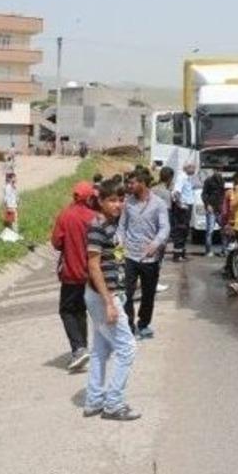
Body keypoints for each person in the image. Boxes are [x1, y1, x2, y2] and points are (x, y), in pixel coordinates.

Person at [82, 179, 140, 420]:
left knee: (100, 350)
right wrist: (109, 302)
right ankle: (113, 403)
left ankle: (94, 400)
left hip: (107, 294)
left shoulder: (111, 224)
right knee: (127, 349)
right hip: (103, 296)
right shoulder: (97, 225)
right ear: (101, 201)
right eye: (112, 200)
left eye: (120, 199)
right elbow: (93, 266)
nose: (118, 204)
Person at [50, 181, 98, 371]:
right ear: (89, 197)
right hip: (90, 273)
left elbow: (56, 242)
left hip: (71, 272)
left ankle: (79, 348)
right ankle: (82, 347)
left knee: (67, 310)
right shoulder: (94, 217)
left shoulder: (65, 215)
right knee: (80, 311)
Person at [119, 167, 169, 338]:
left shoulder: (159, 204)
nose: (129, 185)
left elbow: (164, 228)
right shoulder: (128, 203)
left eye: (132, 182)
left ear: (142, 183)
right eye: (128, 182)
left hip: (150, 258)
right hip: (129, 256)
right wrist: (119, 246)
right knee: (126, 293)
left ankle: (144, 323)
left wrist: (154, 245)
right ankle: (129, 325)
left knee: (148, 294)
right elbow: (122, 227)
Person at [170, 163, 197, 261]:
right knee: (180, 230)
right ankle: (177, 255)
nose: (194, 169)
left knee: (185, 230)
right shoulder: (182, 177)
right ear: (187, 168)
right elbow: (177, 192)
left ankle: (182, 252)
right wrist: (180, 204)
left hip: (187, 206)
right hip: (183, 207)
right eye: (193, 167)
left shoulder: (188, 178)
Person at [201, 169, 225, 257]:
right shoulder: (208, 181)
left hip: (220, 208)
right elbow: (204, 194)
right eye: (217, 170)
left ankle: (224, 250)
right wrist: (207, 205)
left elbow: (222, 194)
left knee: (224, 230)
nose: (219, 172)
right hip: (211, 208)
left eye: (220, 171)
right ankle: (208, 251)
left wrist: (223, 206)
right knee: (210, 231)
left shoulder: (222, 180)